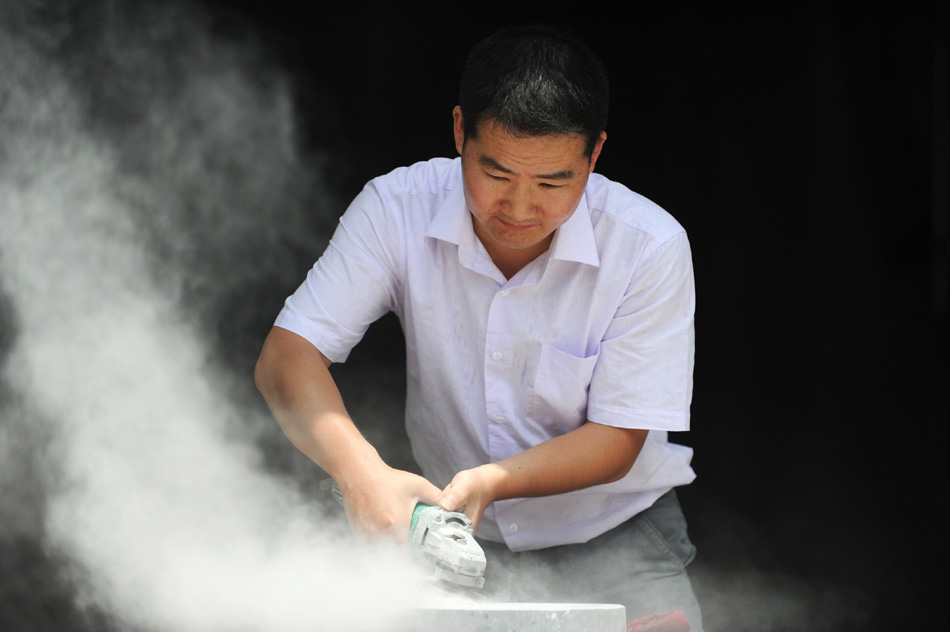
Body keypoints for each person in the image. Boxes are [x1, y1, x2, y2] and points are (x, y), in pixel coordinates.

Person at [255, 25, 703, 629]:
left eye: (553, 183)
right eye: (495, 176)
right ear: (460, 130)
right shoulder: (395, 208)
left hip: (618, 538)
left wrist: (493, 481)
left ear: (594, 155)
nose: (519, 210)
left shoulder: (649, 246)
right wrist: (364, 476)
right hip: (450, 540)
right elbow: (288, 358)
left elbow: (619, 438)